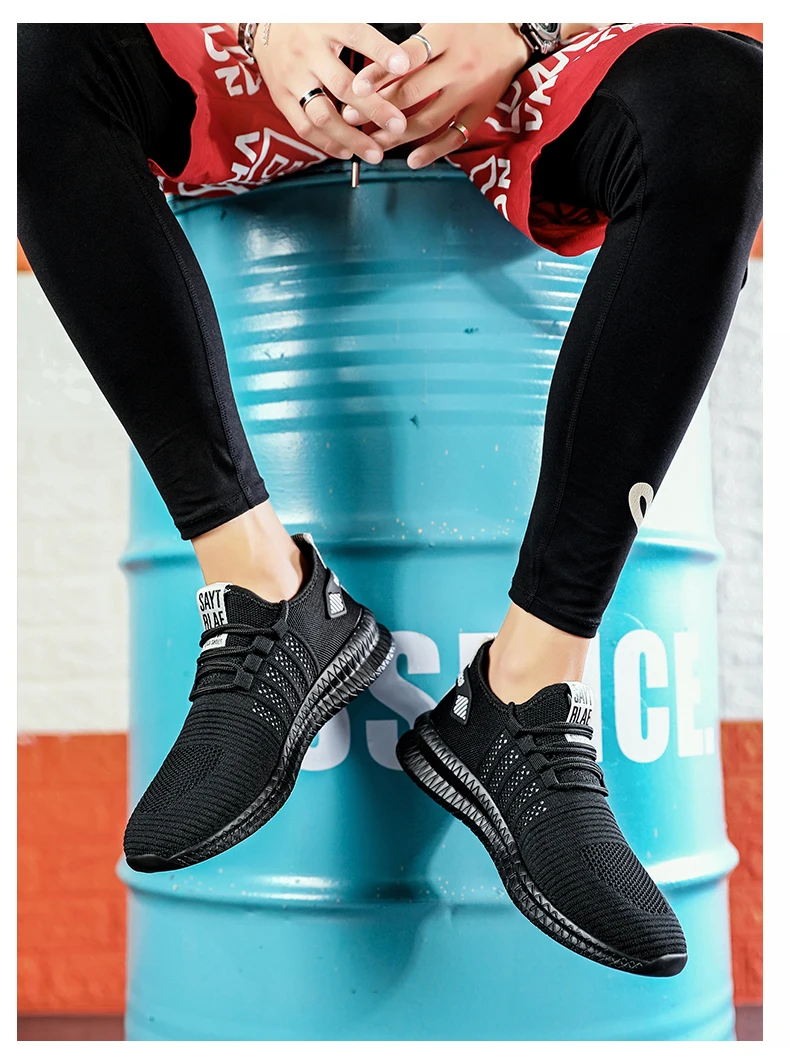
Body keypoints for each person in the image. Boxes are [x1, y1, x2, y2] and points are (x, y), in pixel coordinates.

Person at [17, 22, 762, 977]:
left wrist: (524, 28)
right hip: (271, 66)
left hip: (509, 70)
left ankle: (526, 692)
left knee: (733, 93)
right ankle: (266, 594)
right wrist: (262, 25)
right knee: (30, 62)